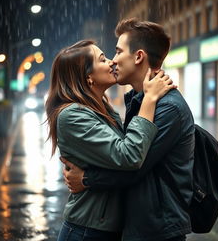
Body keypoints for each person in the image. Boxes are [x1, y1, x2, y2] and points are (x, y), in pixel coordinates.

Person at [62, 18, 195, 241]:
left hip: (158, 230)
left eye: (117, 52)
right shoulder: (141, 101)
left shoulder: (167, 107)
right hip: (141, 224)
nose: (113, 61)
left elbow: (133, 166)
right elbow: (121, 152)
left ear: (138, 56)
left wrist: (86, 178)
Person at [45, 39, 175, 241]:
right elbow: (129, 156)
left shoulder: (102, 110)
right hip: (87, 232)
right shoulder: (71, 116)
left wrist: (86, 179)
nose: (112, 62)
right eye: (103, 59)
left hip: (105, 228)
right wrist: (149, 99)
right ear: (88, 76)